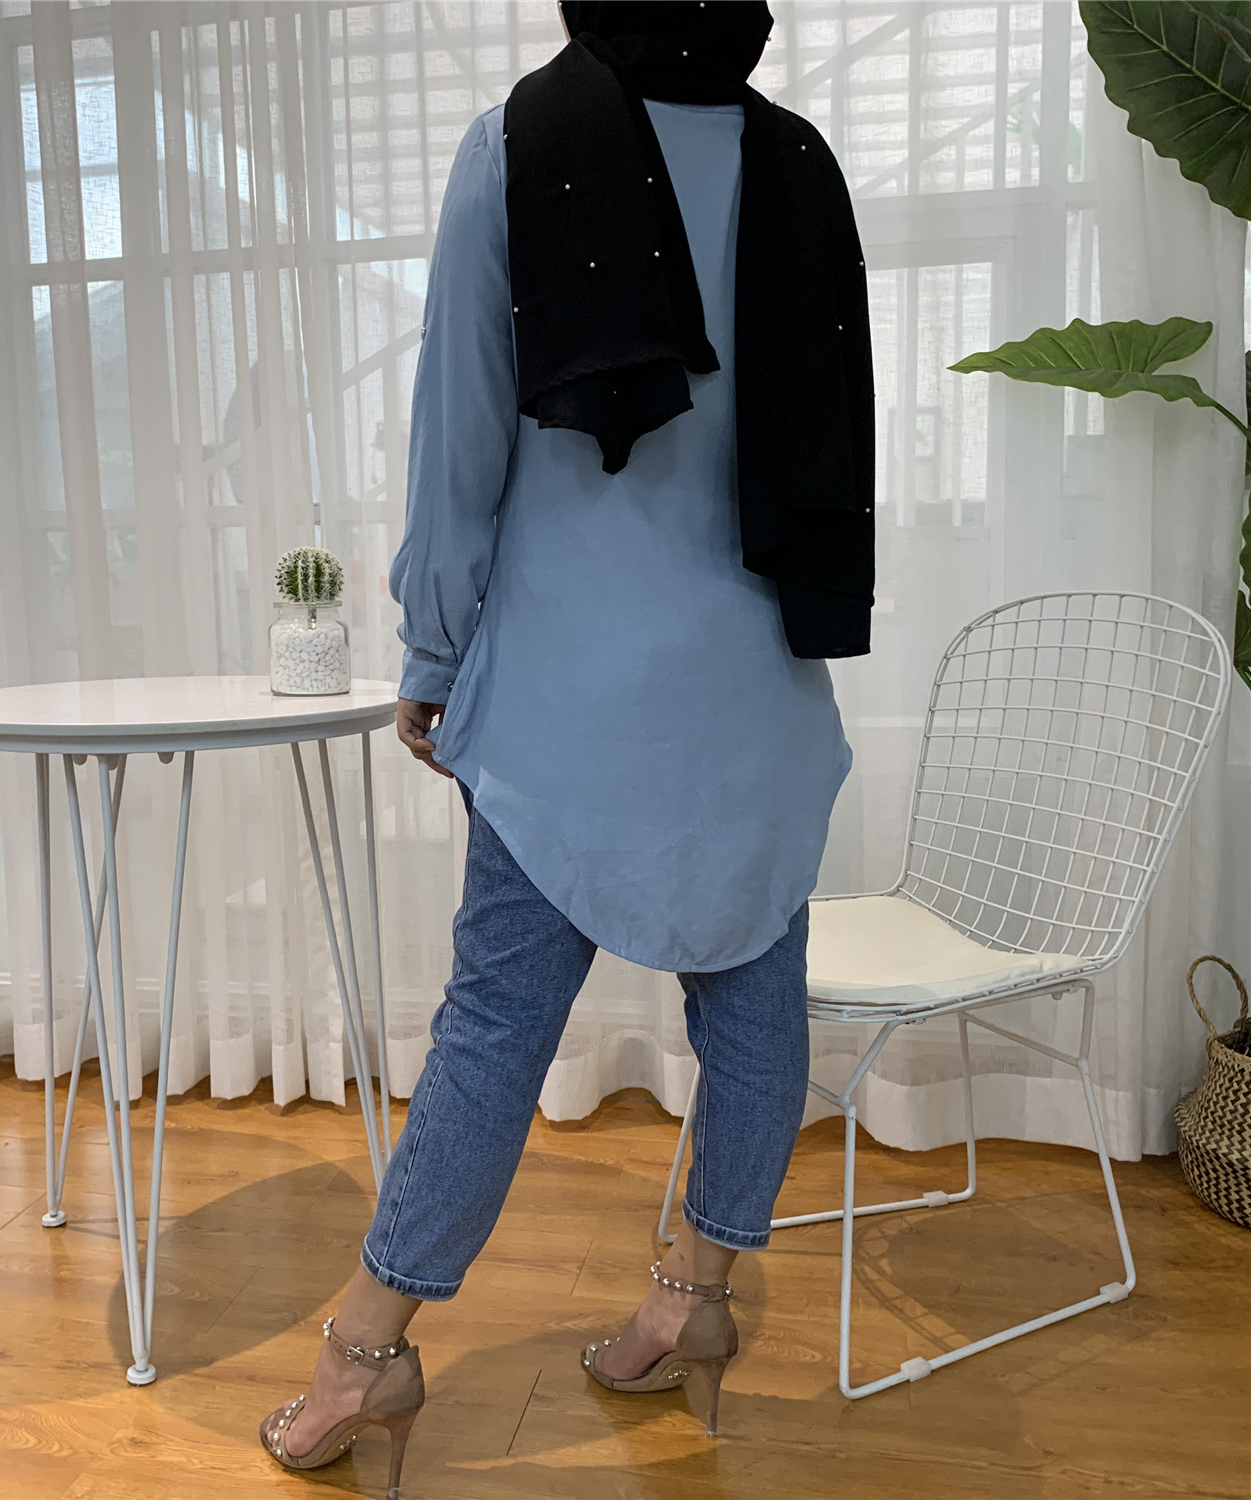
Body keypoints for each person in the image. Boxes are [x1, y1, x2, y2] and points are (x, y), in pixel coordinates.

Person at [260, 3, 874, 1491]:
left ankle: (367, 1351)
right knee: (752, 1006)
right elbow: (835, 434)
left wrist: (432, 651)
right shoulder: (799, 162)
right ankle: (696, 1299)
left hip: (569, 699)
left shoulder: (516, 146)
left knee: (494, 1025)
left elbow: (459, 436)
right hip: (758, 691)